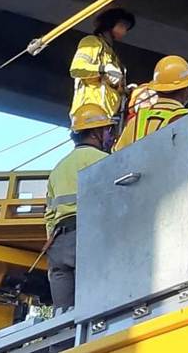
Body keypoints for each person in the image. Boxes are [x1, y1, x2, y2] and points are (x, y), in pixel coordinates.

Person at [44, 104, 115, 310]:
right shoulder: (105, 160)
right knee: (94, 308)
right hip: (90, 236)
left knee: (62, 314)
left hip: (58, 243)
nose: (109, 135)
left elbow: (49, 215)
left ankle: (60, 343)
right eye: (106, 130)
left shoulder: (58, 168)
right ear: (95, 133)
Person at [114, 55, 188, 150]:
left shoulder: (136, 120)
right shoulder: (186, 119)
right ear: (185, 90)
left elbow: (117, 156)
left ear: (157, 88)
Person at [69, 7, 135, 119]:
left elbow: (112, 87)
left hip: (108, 118)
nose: (124, 31)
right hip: (89, 112)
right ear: (109, 24)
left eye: (126, 28)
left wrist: (127, 90)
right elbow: (76, 69)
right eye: (122, 26)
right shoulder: (92, 42)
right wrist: (103, 69)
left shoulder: (114, 58)